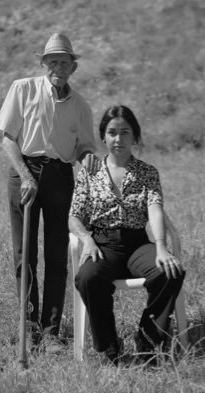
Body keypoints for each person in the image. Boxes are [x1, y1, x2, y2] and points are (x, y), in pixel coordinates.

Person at [0, 32, 99, 350]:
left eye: (64, 61)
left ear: (73, 67)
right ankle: (29, 329)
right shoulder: (22, 88)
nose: (58, 66)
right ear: (43, 63)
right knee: (24, 254)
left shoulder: (80, 105)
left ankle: (51, 332)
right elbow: (7, 138)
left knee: (57, 256)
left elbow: (83, 147)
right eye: (52, 61)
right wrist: (26, 176)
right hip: (25, 172)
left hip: (60, 177)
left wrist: (87, 156)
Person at [69, 105, 185, 365]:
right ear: (103, 137)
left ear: (135, 137)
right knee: (88, 277)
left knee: (170, 270)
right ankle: (110, 347)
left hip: (136, 244)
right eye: (112, 133)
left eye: (124, 132)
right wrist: (86, 238)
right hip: (102, 244)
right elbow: (74, 215)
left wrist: (162, 247)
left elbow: (155, 209)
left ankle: (147, 339)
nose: (118, 139)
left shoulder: (147, 172)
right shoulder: (90, 172)